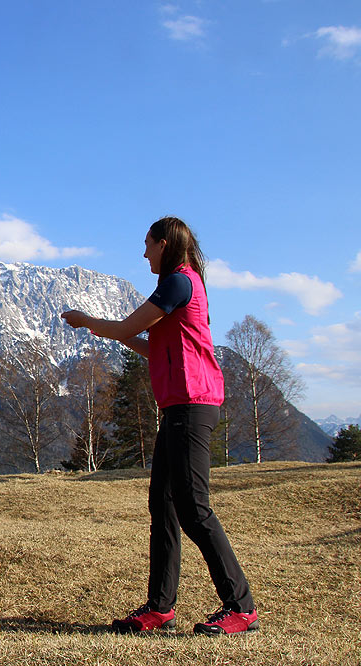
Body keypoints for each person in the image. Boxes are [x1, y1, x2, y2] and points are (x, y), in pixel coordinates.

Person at [61, 216, 258, 636]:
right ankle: (160, 607)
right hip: (178, 407)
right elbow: (153, 346)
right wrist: (111, 334)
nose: (144, 252)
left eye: (147, 244)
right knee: (164, 506)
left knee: (193, 508)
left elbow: (130, 326)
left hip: (193, 404)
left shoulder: (178, 283)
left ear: (164, 244)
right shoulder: (179, 287)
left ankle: (241, 606)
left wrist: (88, 321)